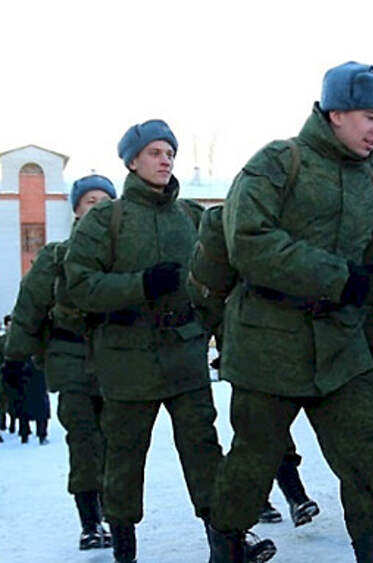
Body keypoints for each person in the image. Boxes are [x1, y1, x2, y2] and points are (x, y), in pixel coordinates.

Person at [207, 61, 373, 562]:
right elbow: (247, 241)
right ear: (336, 113)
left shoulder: (371, 182)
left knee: (364, 456)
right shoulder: (278, 161)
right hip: (268, 341)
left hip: (341, 346)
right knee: (254, 461)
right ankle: (226, 546)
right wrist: (335, 277)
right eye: (370, 116)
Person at [64, 120, 227, 563]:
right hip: (126, 358)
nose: (165, 160)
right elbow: (79, 286)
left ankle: (225, 544)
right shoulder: (105, 220)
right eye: (155, 152)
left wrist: (204, 323)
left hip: (184, 353)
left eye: (169, 153)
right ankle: (124, 551)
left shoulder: (190, 217)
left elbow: (217, 278)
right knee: (124, 456)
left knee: (204, 447)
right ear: (132, 161)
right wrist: (140, 285)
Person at [185, 204, 320, 529]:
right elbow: (209, 294)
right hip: (243, 345)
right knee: (258, 428)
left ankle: (285, 497)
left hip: (273, 340)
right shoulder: (221, 226)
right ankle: (279, 497)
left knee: (265, 426)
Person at [3, 174, 115, 548]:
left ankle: (115, 515)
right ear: (77, 209)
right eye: (90, 201)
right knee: (83, 441)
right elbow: (30, 305)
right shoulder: (56, 255)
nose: (98, 207)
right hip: (72, 362)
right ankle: (90, 523)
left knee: (116, 443)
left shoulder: (123, 256)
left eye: (105, 201)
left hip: (119, 364)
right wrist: (15, 357)